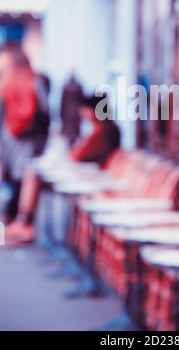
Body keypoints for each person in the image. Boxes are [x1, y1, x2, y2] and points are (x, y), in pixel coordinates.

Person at [5, 94, 121, 244]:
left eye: (84, 110)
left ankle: (25, 223)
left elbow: (75, 156)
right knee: (33, 174)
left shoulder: (101, 131)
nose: (81, 113)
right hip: (89, 175)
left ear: (93, 111)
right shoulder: (105, 129)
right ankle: (23, 221)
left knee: (33, 175)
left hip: (91, 178)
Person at [0, 46, 49, 223]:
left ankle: (17, 223)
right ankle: (17, 222)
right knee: (19, 184)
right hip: (23, 145)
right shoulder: (35, 82)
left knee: (20, 184)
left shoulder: (7, 85)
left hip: (17, 144)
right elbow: (45, 116)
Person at [60, 75, 83, 145]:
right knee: (73, 132)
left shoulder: (66, 87)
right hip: (75, 111)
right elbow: (81, 100)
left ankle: (71, 146)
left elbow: (62, 101)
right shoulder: (78, 87)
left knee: (70, 131)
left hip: (68, 112)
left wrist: (61, 113)